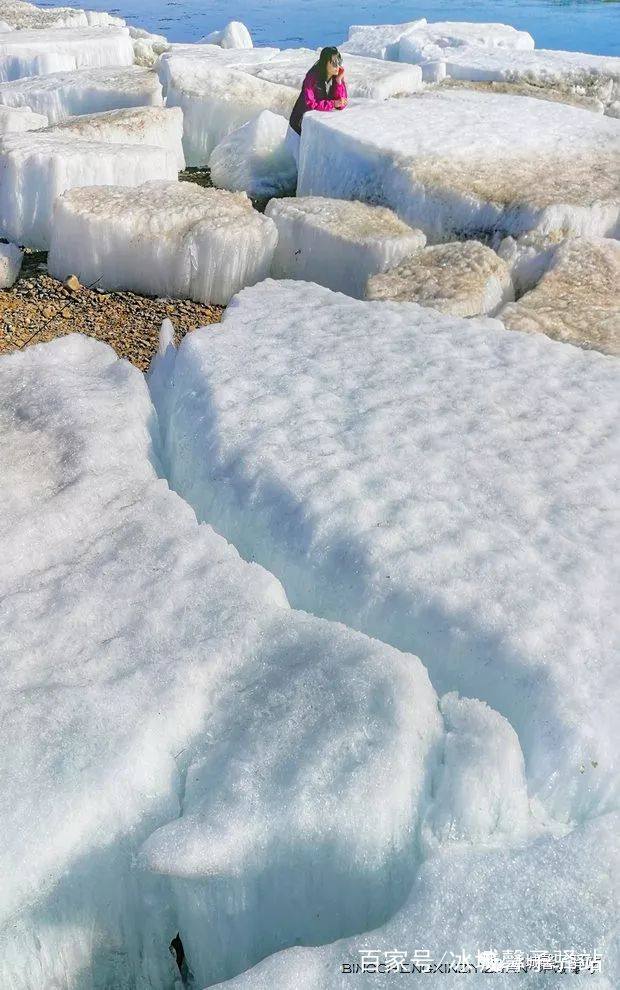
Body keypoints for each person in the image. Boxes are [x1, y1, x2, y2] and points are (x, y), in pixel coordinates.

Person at [286, 47, 348, 164]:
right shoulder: (312, 78)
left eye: (339, 61)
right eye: (334, 62)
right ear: (325, 63)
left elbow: (342, 103)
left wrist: (339, 81)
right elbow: (310, 103)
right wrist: (333, 103)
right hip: (300, 124)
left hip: (318, 120)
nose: (338, 66)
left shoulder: (337, 75)